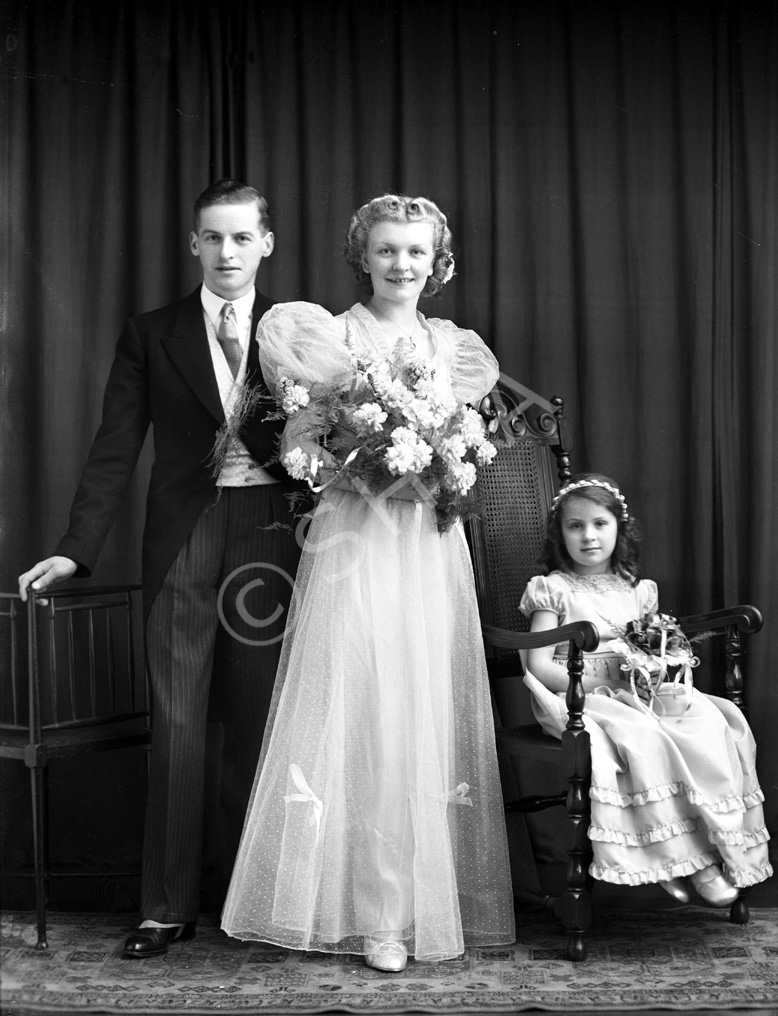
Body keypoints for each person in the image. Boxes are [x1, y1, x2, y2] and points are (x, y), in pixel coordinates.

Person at [221, 194, 515, 972]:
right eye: (387, 250)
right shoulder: (327, 335)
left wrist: (446, 459)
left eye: (416, 252)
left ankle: (423, 908)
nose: (402, 265)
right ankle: (374, 917)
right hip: (357, 545)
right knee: (366, 714)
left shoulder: (453, 350)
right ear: (364, 255)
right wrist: (349, 457)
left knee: (419, 716)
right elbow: (302, 451)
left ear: (438, 261)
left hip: (424, 547)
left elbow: (464, 448)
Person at [18, 179, 304, 957]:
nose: (227, 252)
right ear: (193, 245)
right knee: (177, 723)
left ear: (265, 244)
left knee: (257, 721)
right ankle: (165, 907)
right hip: (183, 536)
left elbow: (329, 446)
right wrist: (76, 547)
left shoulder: (297, 330)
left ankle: (258, 900)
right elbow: (115, 447)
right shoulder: (154, 332)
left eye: (242, 238)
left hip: (271, 537)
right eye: (213, 237)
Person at [520, 472, 772, 904]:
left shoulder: (637, 591)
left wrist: (656, 666)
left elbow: (654, 648)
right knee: (644, 738)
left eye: (600, 523)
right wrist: (597, 684)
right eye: (575, 526)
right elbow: (537, 662)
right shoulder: (554, 589)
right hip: (575, 697)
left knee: (711, 721)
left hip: (635, 692)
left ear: (619, 527)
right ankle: (665, 857)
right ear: (560, 535)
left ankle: (700, 856)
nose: (589, 536)